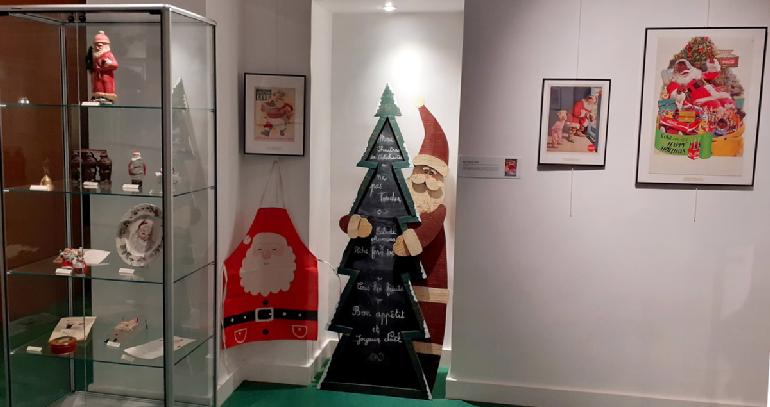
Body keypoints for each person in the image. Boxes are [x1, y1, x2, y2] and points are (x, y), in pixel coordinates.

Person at [88, 31, 118, 103]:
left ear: (105, 46)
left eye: (100, 46)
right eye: (96, 45)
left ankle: (108, 98)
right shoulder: (95, 55)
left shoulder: (108, 54)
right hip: (97, 76)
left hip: (106, 77)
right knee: (98, 87)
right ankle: (98, 97)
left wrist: (109, 63)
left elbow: (115, 65)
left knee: (107, 87)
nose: (97, 47)